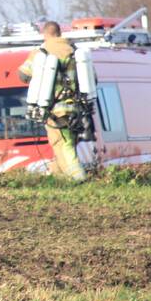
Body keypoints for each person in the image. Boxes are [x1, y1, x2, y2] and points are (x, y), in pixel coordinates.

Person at [18, 21, 87, 181]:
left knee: (62, 145)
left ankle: (78, 179)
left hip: (55, 110)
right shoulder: (75, 51)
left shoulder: (41, 52)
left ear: (45, 34)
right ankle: (61, 179)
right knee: (68, 144)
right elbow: (92, 79)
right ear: (59, 33)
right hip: (76, 109)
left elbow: (23, 75)